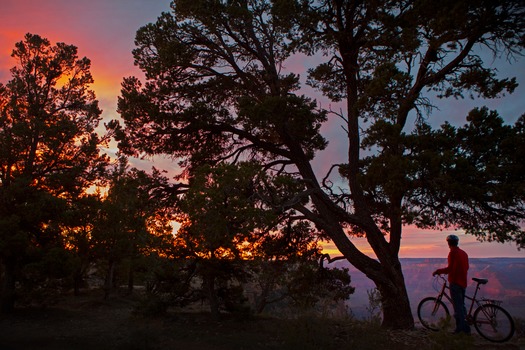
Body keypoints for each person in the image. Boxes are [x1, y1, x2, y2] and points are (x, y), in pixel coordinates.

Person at [432, 234, 471, 334]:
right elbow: (466, 267)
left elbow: (449, 269)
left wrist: (438, 271)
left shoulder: (452, 253)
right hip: (463, 282)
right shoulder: (464, 253)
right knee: (462, 306)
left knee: (457, 307)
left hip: (455, 283)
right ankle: (466, 328)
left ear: (449, 243)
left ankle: (460, 330)